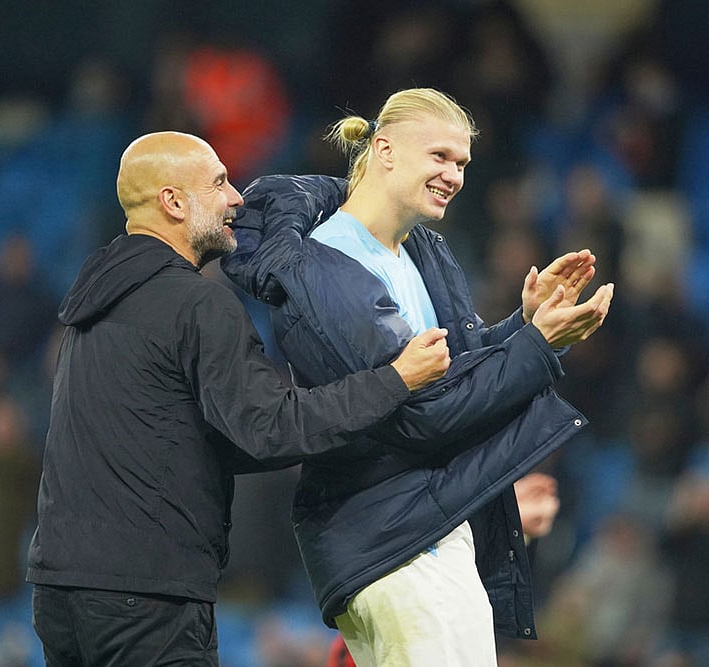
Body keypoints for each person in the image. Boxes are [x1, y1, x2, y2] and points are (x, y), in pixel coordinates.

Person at [25, 131, 453, 667]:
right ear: (173, 202)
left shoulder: (92, 306)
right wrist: (395, 380)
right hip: (149, 597)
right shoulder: (198, 303)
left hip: (60, 593)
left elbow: (196, 439)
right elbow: (270, 428)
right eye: (220, 183)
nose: (237, 199)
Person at [222, 88, 614, 665]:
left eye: (461, 163)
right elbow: (421, 414)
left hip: (429, 527)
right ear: (382, 149)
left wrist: (525, 324)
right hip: (388, 540)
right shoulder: (324, 264)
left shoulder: (425, 251)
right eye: (439, 157)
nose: (453, 175)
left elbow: (452, 369)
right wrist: (537, 346)